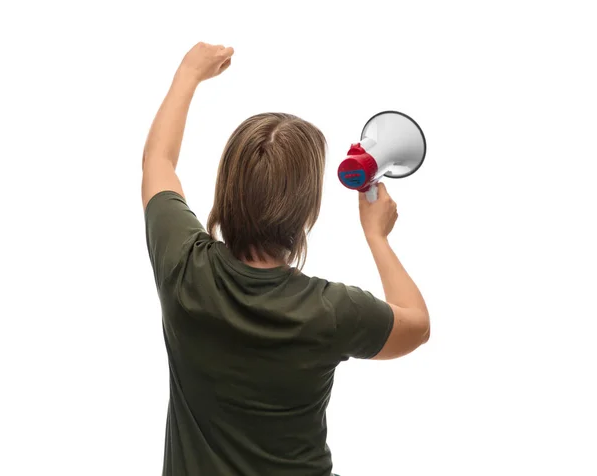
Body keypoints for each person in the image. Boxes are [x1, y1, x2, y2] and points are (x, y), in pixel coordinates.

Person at [142, 41, 430, 476]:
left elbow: (158, 162)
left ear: (227, 187)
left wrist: (189, 72)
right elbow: (416, 325)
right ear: (306, 213)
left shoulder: (182, 266)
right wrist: (378, 237)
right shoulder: (331, 311)